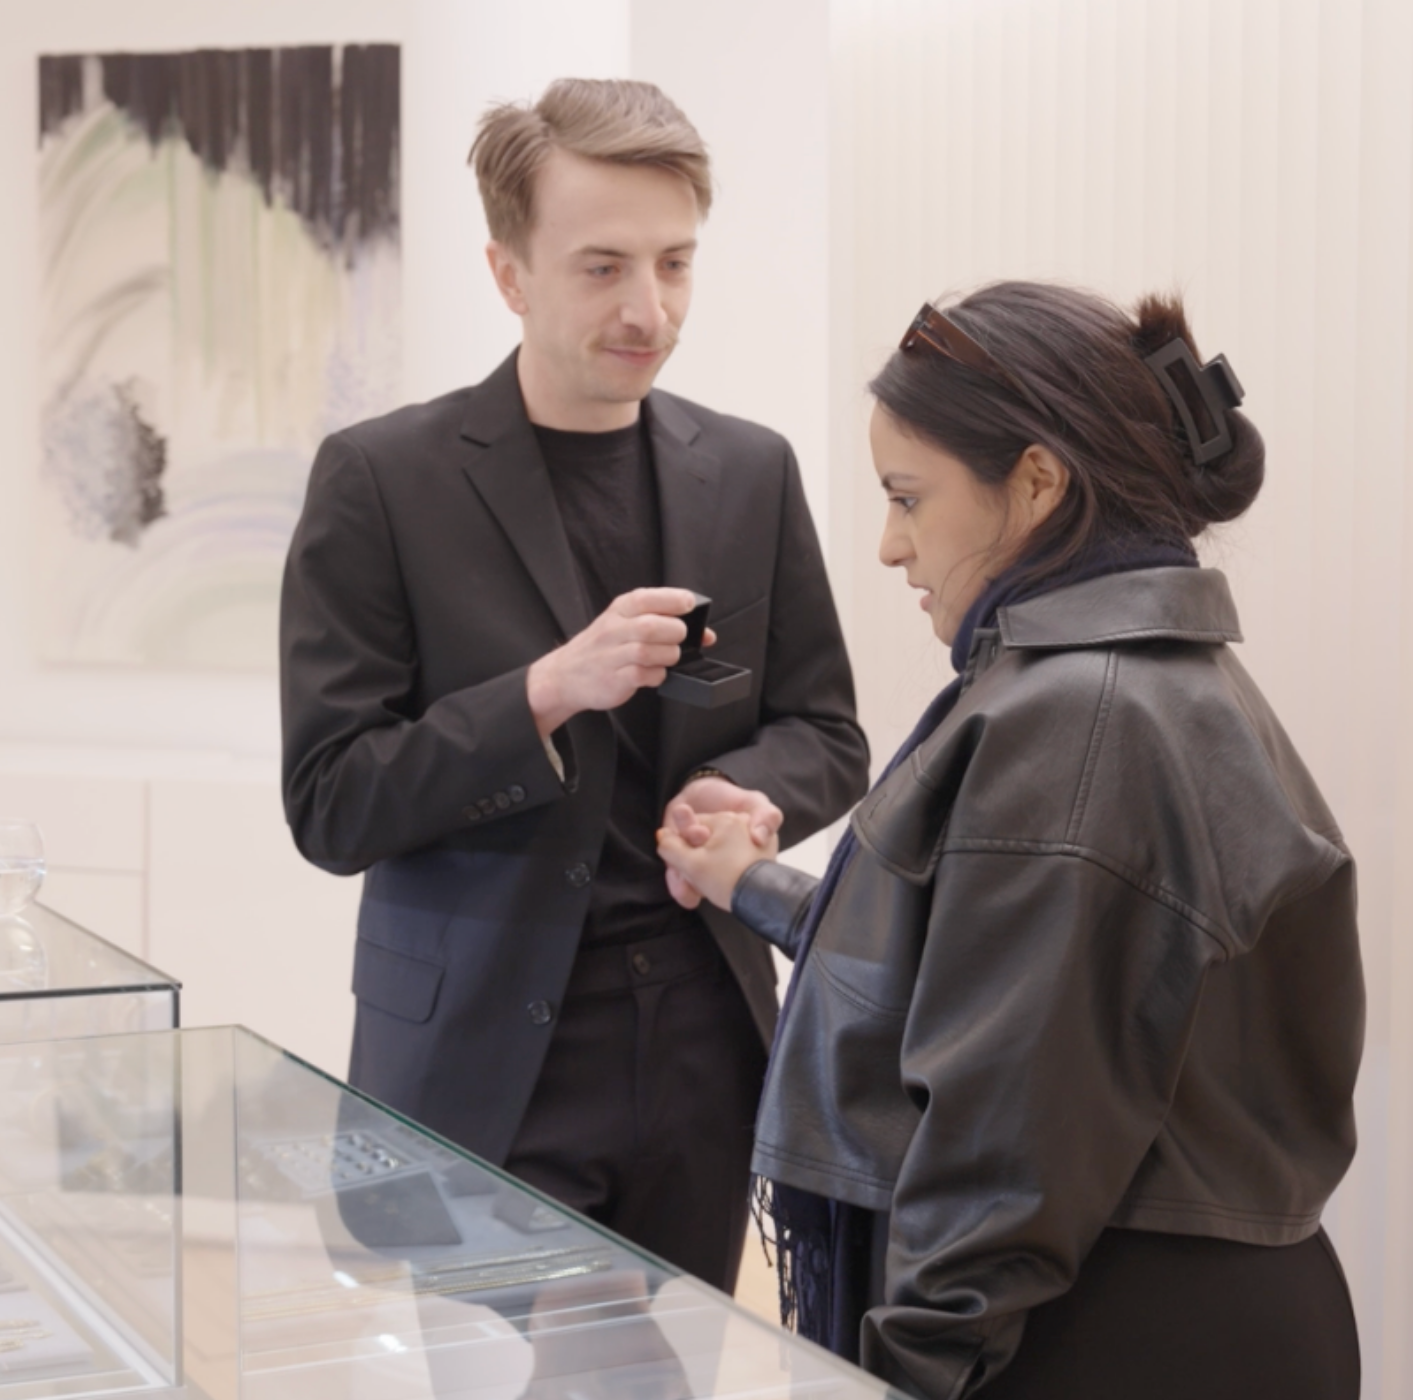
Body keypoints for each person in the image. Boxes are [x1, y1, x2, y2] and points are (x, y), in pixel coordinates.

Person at [658, 281, 1364, 1396]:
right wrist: (750, 882)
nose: (891, 545)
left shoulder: (1077, 718)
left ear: (1034, 481)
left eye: (907, 497)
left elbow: (1007, 1144)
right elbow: (982, 970)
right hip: (1187, 1312)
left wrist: (898, 1374)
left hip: (1106, 1334)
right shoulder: (1146, 683)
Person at [279, 78, 868, 1293]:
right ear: (509, 273)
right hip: (483, 1055)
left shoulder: (750, 471)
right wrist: (541, 693)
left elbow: (822, 730)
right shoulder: (381, 480)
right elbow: (331, 799)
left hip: (704, 1039)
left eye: (674, 264)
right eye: (602, 266)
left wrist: (740, 793)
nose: (647, 309)